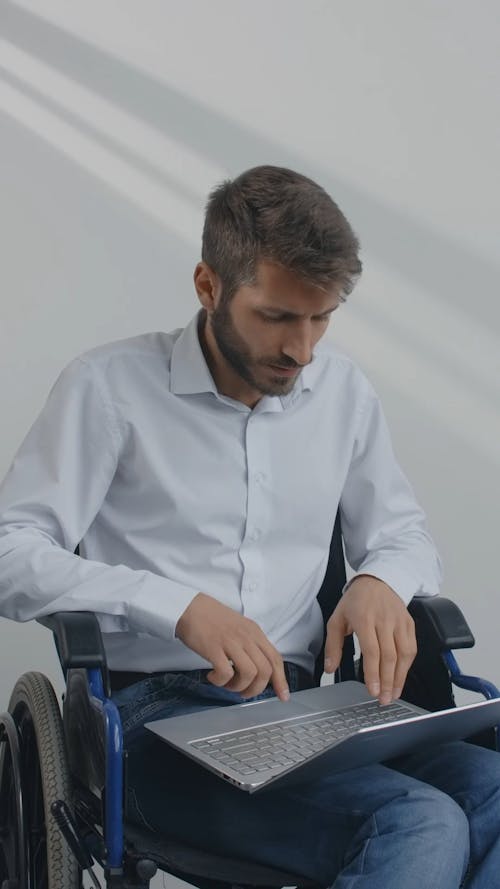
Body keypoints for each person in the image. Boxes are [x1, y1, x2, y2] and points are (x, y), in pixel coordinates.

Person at [0, 165, 499, 888]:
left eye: (321, 317)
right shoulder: (108, 390)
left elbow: (405, 532)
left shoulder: (343, 395)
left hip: (308, 706)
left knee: (490, 791)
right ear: (209, 286)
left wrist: (379, 581)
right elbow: (11, 551)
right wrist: (179, 606)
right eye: (276, 316)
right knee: (418, 820)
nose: (302, 348)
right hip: (154, 719)